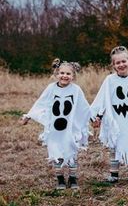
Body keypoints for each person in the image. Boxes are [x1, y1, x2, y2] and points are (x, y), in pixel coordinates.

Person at [19, 58, 91, 190]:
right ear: (57, 73)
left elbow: (84, 107)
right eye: (62, 73)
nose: (64, 76)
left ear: (73, 76)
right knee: (56, 152)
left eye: (68, 74)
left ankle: (73, 178)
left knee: (72, 152)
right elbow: (40, 104)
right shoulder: (50, 88)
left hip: (70, 128)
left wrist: (93, 118)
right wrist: (28, 116)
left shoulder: (76, 90)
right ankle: (60, 180)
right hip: (54, 129)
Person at [91, 46, 128, 184]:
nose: (121, 65)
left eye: (123, 61)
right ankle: (114, 174)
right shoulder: (109, 80)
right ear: (113, 65)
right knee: (115, 144)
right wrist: (98, 116)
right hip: (116, 119)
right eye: (117, 63)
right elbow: (103, 98)